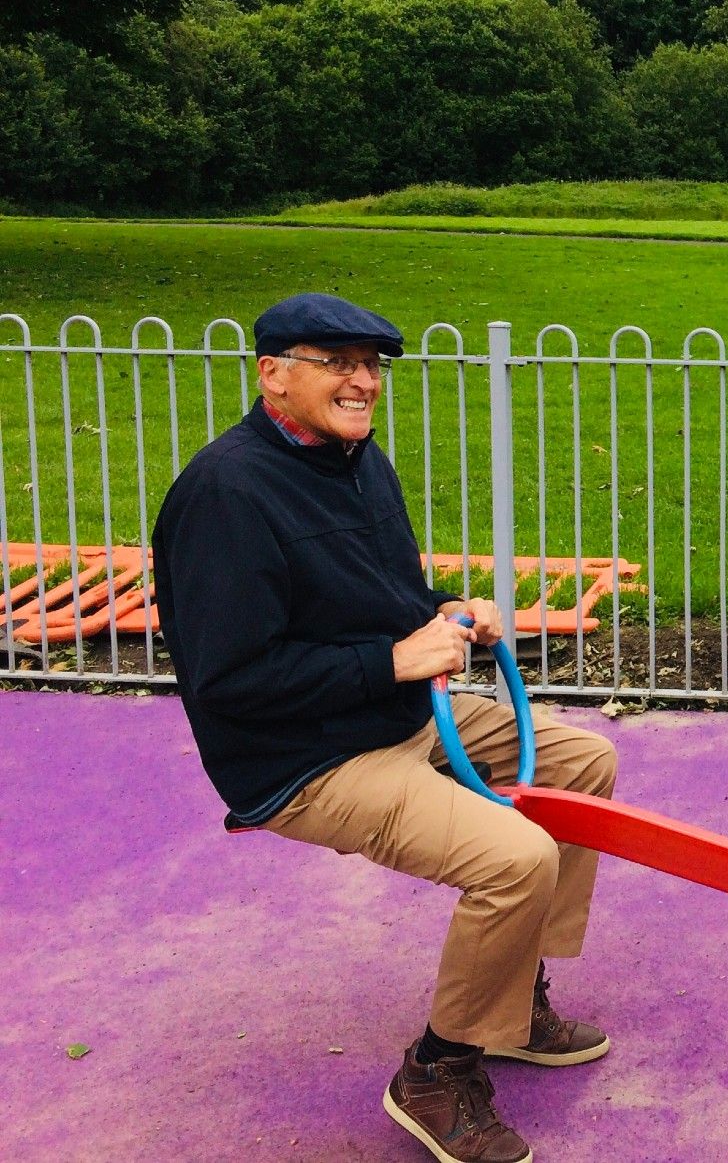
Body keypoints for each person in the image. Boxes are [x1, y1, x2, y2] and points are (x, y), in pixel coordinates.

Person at [152, 292, 619, 1163]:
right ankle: (436, 1073)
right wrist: (394, 661)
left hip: (397, 714)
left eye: (372, 364)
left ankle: (509, 1002)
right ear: (273, 375)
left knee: (582, 760)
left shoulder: (356, 460)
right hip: (308, 758)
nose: (363, 380)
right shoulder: (227, 495)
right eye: (337, 362)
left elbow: (380, 598)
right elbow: (230, 681)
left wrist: (445, 613)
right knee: (517, 858)